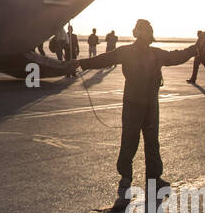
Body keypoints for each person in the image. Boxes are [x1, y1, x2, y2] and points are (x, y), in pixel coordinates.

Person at [72, 18, 196, 196]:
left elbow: (176, 57)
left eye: (145, 30)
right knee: (132, 140)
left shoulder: (149, 53)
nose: (143, 33)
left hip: (147, 104)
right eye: (141, 30)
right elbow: (104, 59)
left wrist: (194, 49)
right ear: (137, 33)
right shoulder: (131, 52)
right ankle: (127, 178)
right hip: (135, 103)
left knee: (148, 141)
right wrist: (81, 63)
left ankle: (148, 179)